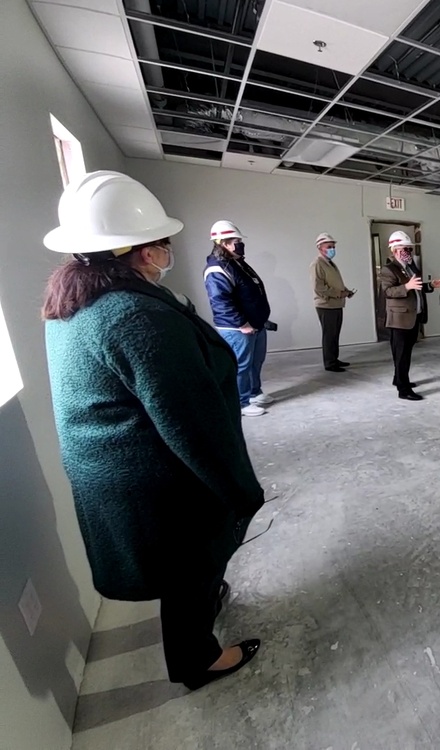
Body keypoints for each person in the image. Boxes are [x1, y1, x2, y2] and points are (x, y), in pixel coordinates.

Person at [41, 171, 262, 691]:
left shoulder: (76, 300)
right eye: (162, 242)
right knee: (191, 562)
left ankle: (202, 611)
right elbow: (190, 422)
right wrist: (239, 488)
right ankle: (196, 662)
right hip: (155, 475)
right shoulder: (135, 316)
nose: (167, 251)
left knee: (186, 568)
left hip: (117, 468)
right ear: (142, 251)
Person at [204, 220, 274, 417]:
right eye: (237, 241)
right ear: (223, 243)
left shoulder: (237, 264)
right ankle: (241, 403)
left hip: (255, 324)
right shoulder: (217, 269)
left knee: (255, 362)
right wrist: (242, 323)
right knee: (241, 365)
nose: (241, 245)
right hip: (238, 328)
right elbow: (220, 302)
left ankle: (254, 393)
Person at [379, 230, 440, 400]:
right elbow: (387, 291)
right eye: (405, 249)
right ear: (395, 250)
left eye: (409, 249)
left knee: (405, 353)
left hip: (412, 317)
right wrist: (406, 287)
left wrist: (430, 285)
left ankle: (399, 379)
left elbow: (417, 286)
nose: (408, 252)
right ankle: (403, 390)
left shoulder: (409, 267)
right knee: (401, 355)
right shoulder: (389, 269)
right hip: (400, 319)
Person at [312, 232, 354, 372]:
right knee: (329, 335)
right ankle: (330, 363)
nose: (332, 249)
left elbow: (335, 283)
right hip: (326, 305)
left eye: (333, 247)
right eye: (329, 246)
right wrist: (339, 294)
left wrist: (346, 291)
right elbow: (319, 288)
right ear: (320, 247)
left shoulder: (330, 263)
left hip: (336, 304)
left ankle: (334, 359)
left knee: (335, 334)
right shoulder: (317, 264)